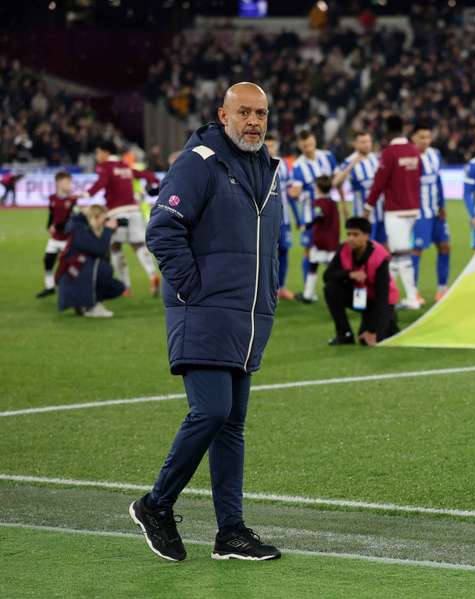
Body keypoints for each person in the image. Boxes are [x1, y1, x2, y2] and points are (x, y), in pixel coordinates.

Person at [132, 82, 282, 562]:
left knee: (231, 425)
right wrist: (192, 290)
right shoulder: (198, 161)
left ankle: (230, 532)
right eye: (244, 113)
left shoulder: (265, 168)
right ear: (223, 114)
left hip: (247, 316)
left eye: (261, 113)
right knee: (212, 411)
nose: (254, 122)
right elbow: (162, 227)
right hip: (204, 311)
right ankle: (155, 505)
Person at [84, 140, 161, 296]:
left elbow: (102, 182)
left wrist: (88, 193)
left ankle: (126, 287)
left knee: (115, 247)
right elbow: (145, 174)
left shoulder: (105, 167)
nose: (97, 156)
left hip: (117, 213)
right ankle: (152, 275)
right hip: (134, 211)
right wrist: (154, 183)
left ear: (106, 152)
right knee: (139, 246)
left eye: (98, 152)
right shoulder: (125, 165)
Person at [364, 114, 421, 310]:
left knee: (401, 254)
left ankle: (412, 298)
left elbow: (378, 183)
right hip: (413, 208)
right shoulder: (413, 151)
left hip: (396, 210)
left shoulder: (389, 153)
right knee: (397, 255)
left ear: (388, 131)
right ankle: (387, 294)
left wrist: (368, 207)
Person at [324, 216, 400, 347]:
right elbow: (327, 276)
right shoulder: (344, 249)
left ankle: (389, 324)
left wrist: (374, 332)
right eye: (348, 234)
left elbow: (383, 296)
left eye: (355, 234)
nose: (351, 238)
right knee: (330, 288)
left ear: (366, 236)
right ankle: (345, 335)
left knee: (371, 339)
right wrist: (349, 274)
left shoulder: (380, 256)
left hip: (381, 302)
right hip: (361, 296)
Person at [290, 129, 339, 294]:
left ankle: (332, 287)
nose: (308, 148)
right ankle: (308, 290)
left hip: (330, 213)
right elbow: (295, 190)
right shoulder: (298, 166)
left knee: (328, 250)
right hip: (310, 214)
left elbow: (337, 178)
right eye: (304, 146)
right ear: (299, 146)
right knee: (309, 250)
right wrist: (294, 193)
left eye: (310, 144)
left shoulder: (327, 156)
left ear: (314, 141)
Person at [56, 205, 126, 317]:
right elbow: (100, 250)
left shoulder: (82, 228)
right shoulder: (80, 231)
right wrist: (107, 230)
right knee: (104, 270)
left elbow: (102, 254)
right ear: (95, 218)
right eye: (104, 219)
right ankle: (90, 306)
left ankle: (86, 304)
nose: (105, 222)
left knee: (116, 284)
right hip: (74, 277)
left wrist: (107, 232)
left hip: (77, 276)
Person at [410, 123, 451, 303]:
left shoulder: (435, 154)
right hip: (418, 213)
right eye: (422, 137)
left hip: (435, 211)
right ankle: (413, 292)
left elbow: (438, 180)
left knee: (444, 246)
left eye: (428, 137)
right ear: (414, 139)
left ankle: (441, 289)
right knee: (417, 250)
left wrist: (442, 205)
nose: (425, 141)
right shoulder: (409, 157)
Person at [265, 132, 301, 301]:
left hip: (284, 219)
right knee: (265, 254)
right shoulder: (255, 163)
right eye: (267, 144)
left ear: (277, 145)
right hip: (264, 220)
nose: (270, 148)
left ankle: (281, 287)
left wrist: (298, 218)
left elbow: (291, 194)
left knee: (284, 250)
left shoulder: (284, 164)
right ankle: (265, 289)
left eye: (272, 145)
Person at [334, 130, 387, 243]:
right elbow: (336, 183)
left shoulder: (377, 158)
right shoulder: (349, 161)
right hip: (363, 214)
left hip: (381, 212)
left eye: (368, 141)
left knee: (384, 248)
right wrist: (352, 165)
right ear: (355, 144)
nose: (367, 144)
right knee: (367, 248)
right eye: (362, 142)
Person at [37, 171, 78, 298]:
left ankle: (71, 288)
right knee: (48, 261)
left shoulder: (72, 200)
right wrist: (49, 226)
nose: (70, 185)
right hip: (55, 238)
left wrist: (57, 227)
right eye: (67, 182)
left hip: (68, 239)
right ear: (59, 183)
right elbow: (52, 214)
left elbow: (71, 220)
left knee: (68, 265)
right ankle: (49, 287)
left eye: (70, 182)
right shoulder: (52, 198)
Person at [301, 176, 341, 303]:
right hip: (333, 242)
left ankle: (308, 295)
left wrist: (307, 225)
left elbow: (318, 216)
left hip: (320, 241)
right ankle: (335, 295)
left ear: (318, 188)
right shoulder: (333, 203)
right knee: (333, 270)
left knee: (313, 267)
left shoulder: (318, 203)